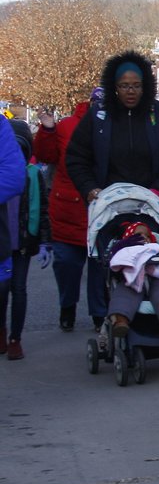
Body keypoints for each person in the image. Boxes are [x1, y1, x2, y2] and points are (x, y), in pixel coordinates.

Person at [65, 50, 159, 219]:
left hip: (153, 206)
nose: (130, 91)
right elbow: (76, 157)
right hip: (108, 208)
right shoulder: (98, 115)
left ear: (144, 86)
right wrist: (90, 188)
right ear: (114, 87)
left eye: (136, 85)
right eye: (124, 86)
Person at [34, 90, 108, 332]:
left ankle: (100, 314)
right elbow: (46, 156)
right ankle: (68, 305)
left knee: (100, 267)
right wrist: (47, 131)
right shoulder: (67, 126)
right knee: (66, 263)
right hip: (68, 206)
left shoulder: (118, 126)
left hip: (103, 207)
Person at [0, 120, 51, 360]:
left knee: (18, 289)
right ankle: (1, 331)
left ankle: (15, 338)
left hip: (21, 243)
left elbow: (42, 210)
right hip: (3, 241)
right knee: (2, 290)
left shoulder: (33, 176)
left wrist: (44, 241)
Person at [105, 221, 159, 338]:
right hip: (131, 280)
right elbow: (114, 259)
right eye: (138, 234)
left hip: (157, 279)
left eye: (147, 235)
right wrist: (122, 248)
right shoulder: (126, 248)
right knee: (123, 296)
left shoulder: (156, 247)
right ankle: (121, 321)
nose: (144, 237)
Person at [0, 115, 28, 356]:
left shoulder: (0, 126)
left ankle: (12, 336)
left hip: (12, 243)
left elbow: (13, 177)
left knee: (15, 289)